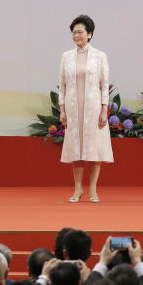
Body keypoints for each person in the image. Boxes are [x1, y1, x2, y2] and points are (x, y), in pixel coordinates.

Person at [58, 14, 111, 203]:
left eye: (80, 32)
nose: (76, 35)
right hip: (73, 108)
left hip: (93, 108)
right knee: (76, 149)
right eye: (73, 32)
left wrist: (104, 109)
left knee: (94, 149)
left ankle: (93, 190)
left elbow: (104, 85)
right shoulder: (66, 56)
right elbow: (62, 85)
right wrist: (62, 109)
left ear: (89, 34)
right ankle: (78, 189)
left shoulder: (100, 56)